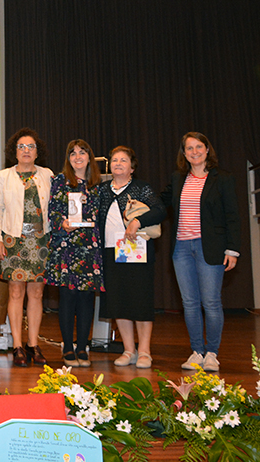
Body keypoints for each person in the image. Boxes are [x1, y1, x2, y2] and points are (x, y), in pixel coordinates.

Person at [161, 132, 239, 372]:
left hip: (210, 247)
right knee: (190, 303)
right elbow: (161, 203)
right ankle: (197, 351)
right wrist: (134, 209)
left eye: (198, 147)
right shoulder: (178, 178)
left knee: (212, 302)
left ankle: (212, 354)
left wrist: (232, 250)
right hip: (182, 248)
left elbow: (232, 216)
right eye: (189, 148)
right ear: (184, 154)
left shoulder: (222, 178)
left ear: (207, 150)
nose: (194, 152)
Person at [98, 146, 165, 369]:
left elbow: (160, 210)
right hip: (110, 252)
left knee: (140, 300)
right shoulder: (101, 190)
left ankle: (145, 351)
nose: (118, 163)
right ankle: (129, 350)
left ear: (132, 167)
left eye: (123, 160)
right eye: (114, 160)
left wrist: (138, 221)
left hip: (137, 251)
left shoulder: (141, 188)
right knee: (118, 302)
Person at [0, 128, 53, 368]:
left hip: (41, 241)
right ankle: (17, 345)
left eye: (30, 147)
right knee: (15, 293)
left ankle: (33, 343)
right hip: (12, 240)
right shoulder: (2, 177)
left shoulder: (47, 175)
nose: (26, 151)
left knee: (36, 294)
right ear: (13, 152)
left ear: (37, 152)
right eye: (21, 147)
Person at [46, 140, 103, 367]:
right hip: (67, 246)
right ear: (68, 158)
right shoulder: (59, 181)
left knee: (87, 299)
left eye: (82, 152)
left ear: (90, 157)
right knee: (68, 297)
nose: (78, 156)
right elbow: (52, 211)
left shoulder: (98, 185)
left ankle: (83, 347)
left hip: (90, 247)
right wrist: (63, 222)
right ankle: (68, 347)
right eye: (73, 153)